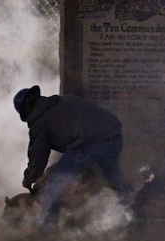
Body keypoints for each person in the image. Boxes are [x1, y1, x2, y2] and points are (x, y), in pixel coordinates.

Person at [13, 85, 129, 232]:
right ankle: (131, 215)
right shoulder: (66, 100)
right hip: (114, 135)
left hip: (90, 145)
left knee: (52, 189)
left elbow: (38, 159)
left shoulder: (39, 123)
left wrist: (29, 179)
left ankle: (47, 234)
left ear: (26, 111)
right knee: (113, 178)